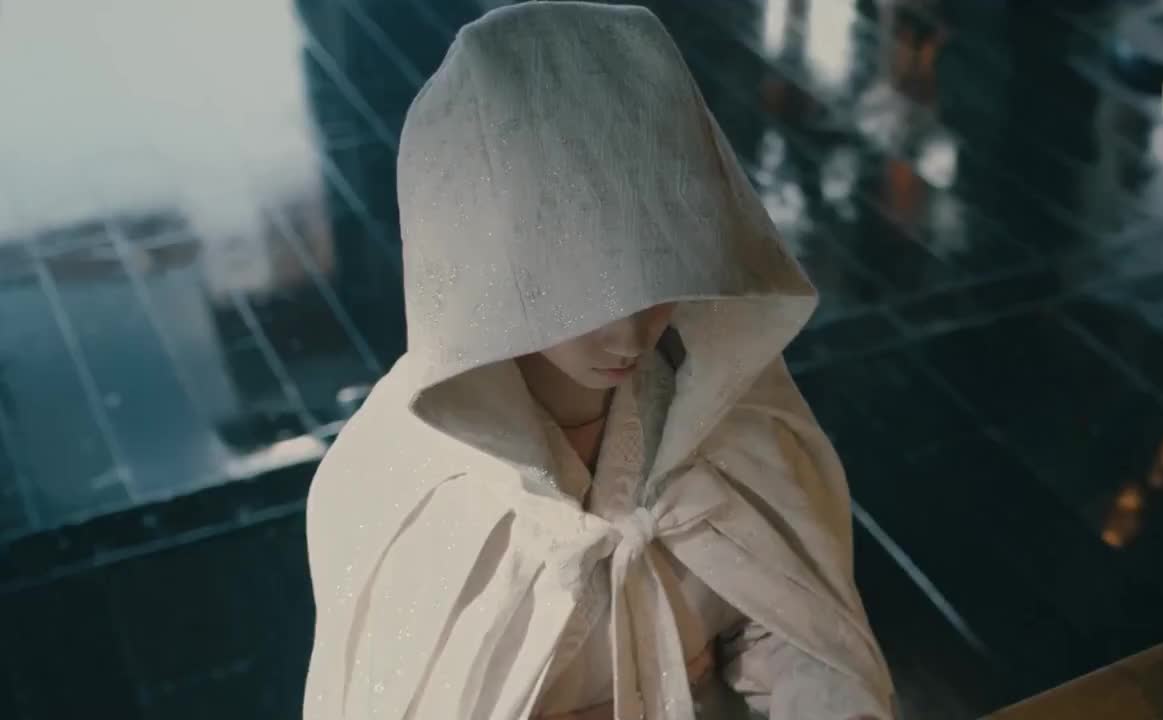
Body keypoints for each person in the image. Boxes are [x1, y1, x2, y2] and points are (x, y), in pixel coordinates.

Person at [301, 2, 896, 718]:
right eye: (577, 294)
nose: (630, 336)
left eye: (659, 276)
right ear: (495, 261)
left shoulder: (725, 405)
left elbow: (786, 623)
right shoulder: (404, 475)